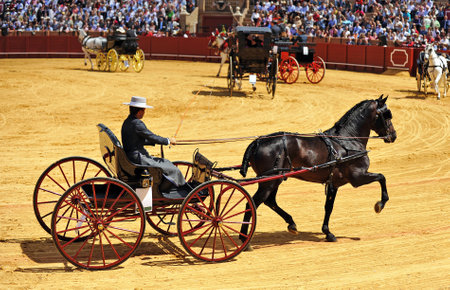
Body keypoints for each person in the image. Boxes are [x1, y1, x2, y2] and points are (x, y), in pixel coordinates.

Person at [121, 96, 188, 191]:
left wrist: (158, 141)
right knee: (173, 170)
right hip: (138, 158)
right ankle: (165, 189)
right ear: (140, 111)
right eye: (144, 111)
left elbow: (137, 139)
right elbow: (151, 136)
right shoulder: (137, 124)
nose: (144, 113)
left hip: (132, 155)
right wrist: (168, 141)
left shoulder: (127, 121)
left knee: (167, 162)